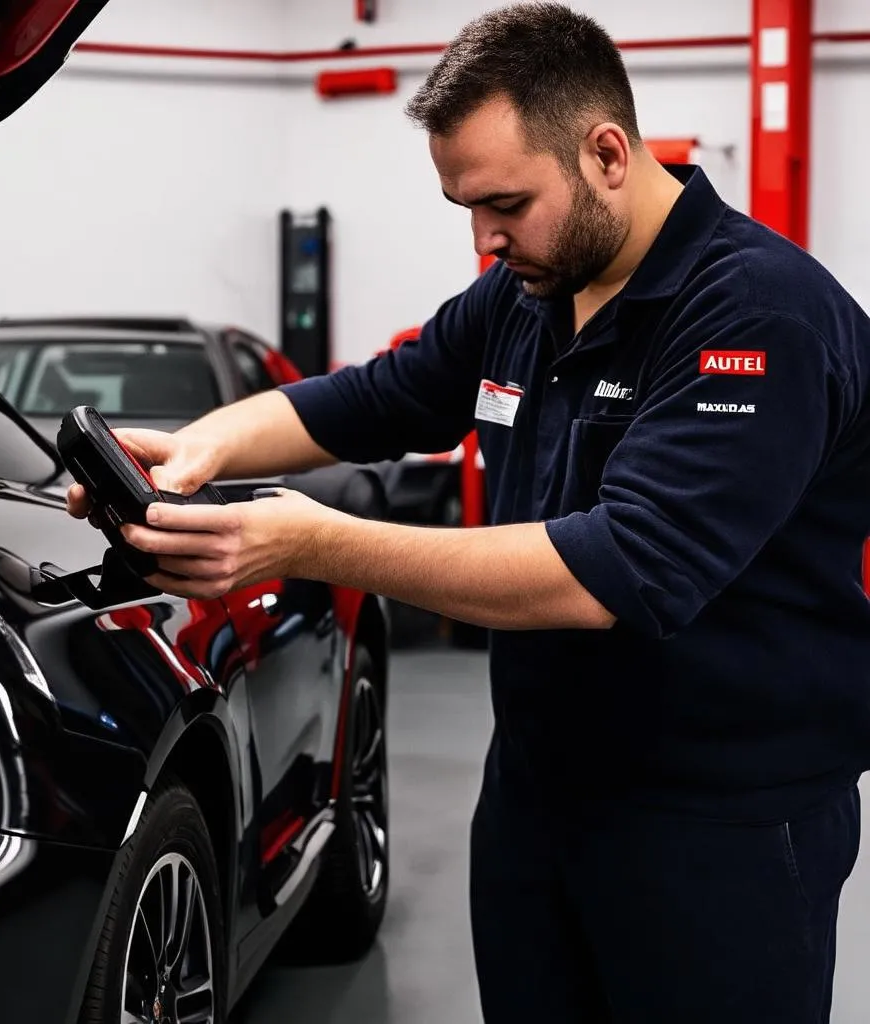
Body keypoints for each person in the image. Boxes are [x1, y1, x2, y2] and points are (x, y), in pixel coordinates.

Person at [68, 3, 870, 1020]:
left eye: (505, 202)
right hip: (539, 794)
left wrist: (311, 538)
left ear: (608, 154)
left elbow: (612, 568)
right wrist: (204, 443)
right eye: (464, 205)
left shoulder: (756, 318)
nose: (485, 237)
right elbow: (374, 396)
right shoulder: (526, 295)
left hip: (721, 823)